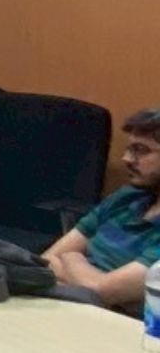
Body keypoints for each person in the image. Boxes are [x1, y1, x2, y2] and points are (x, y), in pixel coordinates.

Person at [42, 107, 160, 311]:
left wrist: (73, 257)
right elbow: (44, 263)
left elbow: (100, 291)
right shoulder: (126, 198)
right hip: (69, 306)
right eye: (129, 149)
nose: (126, 159)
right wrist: (91, 283)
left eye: (141, 150)